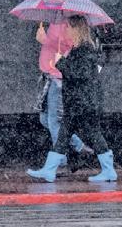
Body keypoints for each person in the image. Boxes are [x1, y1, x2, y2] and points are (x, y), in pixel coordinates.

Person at [27, 15, 117, 183]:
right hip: (78, 102)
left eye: (69, 27)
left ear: (76, 29)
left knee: (91, 135)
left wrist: (60, 62)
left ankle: (108, 170)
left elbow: (79, 74)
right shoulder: (80, 49)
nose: (66, 30)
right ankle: (50, 170)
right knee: (66, 135)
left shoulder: (85, 49)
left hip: (82, 103)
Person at [35, 21, 88, 160]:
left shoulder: (68, 23)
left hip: (58, 78)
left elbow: (69, 47)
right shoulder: (55, 22)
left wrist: (45, 41)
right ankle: (79, 146)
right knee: (44, 119)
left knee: (54, 121)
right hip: (48, 76)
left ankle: (60, 160)